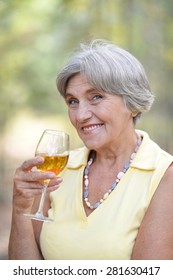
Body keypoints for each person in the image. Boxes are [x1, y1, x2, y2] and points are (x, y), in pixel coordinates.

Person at [8, 39, 173, 260]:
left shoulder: (163, 177)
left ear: (132, 104)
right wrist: (20, 208)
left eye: (96, 97)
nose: (80, 115)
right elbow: (25, 272)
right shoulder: (59, 169)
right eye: (72, 101)